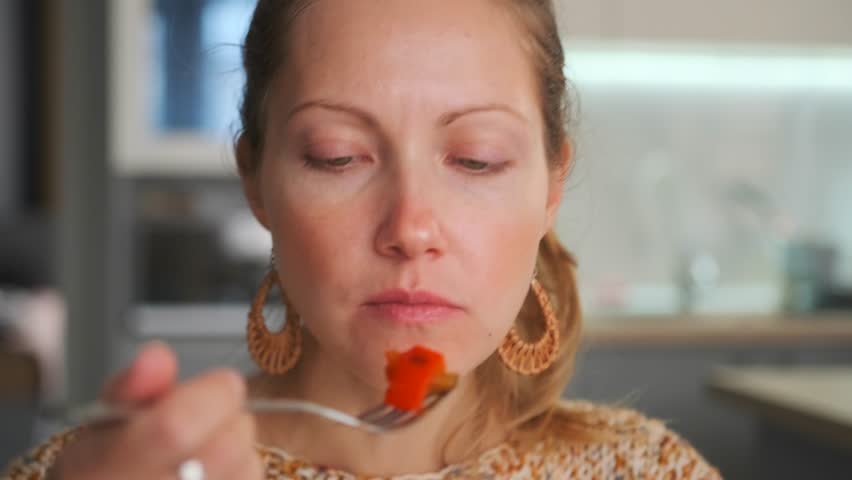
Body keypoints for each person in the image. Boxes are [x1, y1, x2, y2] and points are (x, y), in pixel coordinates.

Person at [4, 0, 722, 478]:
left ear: (550, 187)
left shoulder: (649, 468)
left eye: (476, 158)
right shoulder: (97, 470)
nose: (411, 228)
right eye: (337, 156)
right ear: (256, 180)